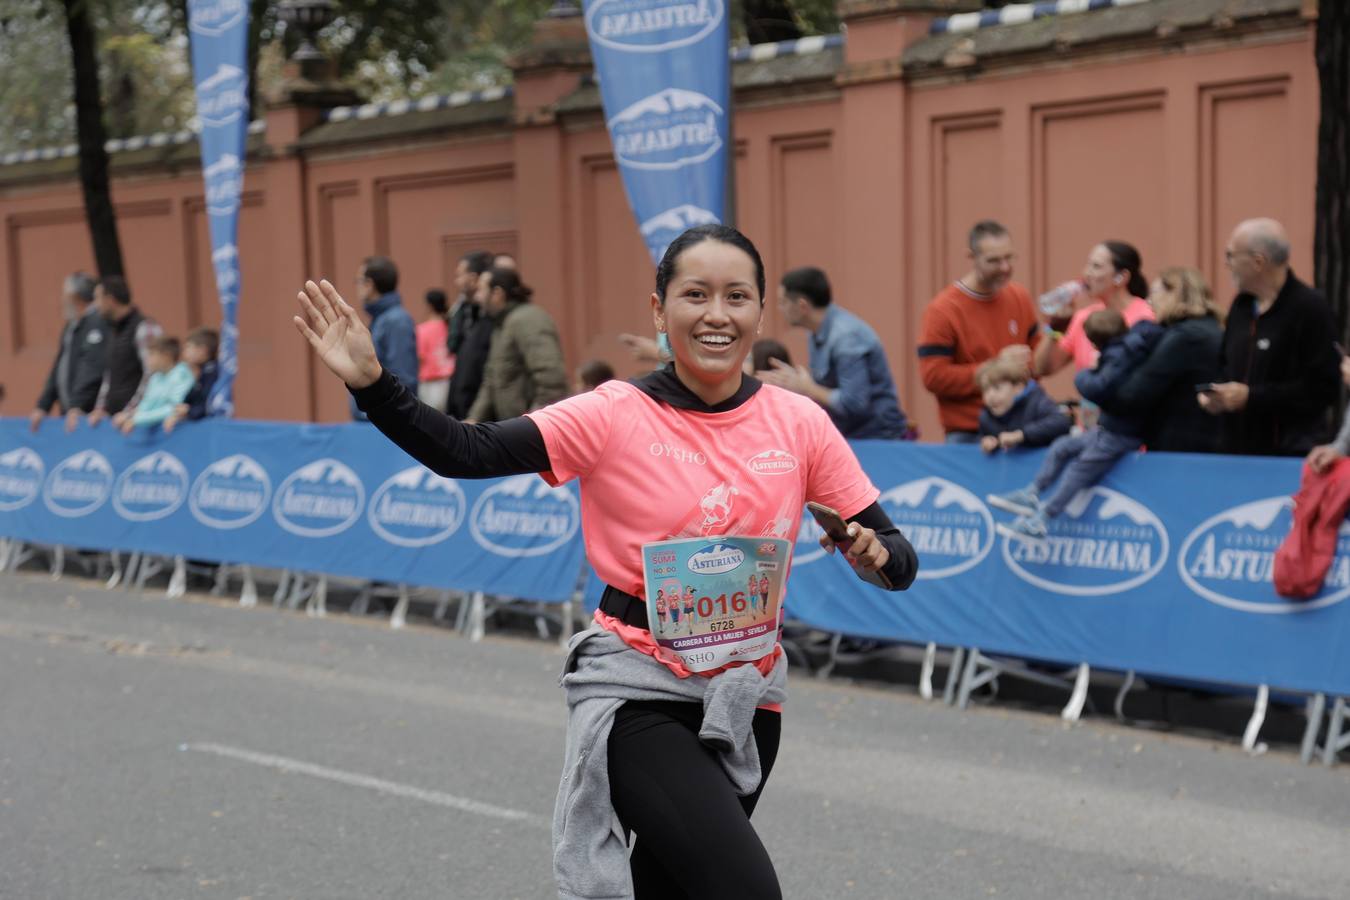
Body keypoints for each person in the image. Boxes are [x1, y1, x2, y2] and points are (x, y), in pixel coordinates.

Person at [292, 222, 918, 899]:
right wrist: (375, 385)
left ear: (760, 312)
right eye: (695, 295)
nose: (716, 314)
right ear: (659, 310)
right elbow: (465, 450)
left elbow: (897, 558)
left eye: (737, 297)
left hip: (748, 697)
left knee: (671, 887)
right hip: (638, 688)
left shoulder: (799, 424)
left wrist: (874, 555)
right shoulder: (613, 413)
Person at [990, 309, 1162, 541]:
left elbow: (1099, 387)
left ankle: (1042, 519)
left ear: (1093, 341)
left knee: (1078, 469)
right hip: (1108, 427)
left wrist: (1087, 373)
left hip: (1122, 433)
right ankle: (1032, 493)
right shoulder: (1120, 353)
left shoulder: (1120, 356)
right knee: (1063, 447)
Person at [1198, 218, 1339, 456]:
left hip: (1287, 454)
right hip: (1235, 450)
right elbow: (1224, 365)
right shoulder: (1241, 306)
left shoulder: (1310, 308)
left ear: (1258, 262)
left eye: (1230, 255)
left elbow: (1321, 389)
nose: (1226, 263)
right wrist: (1215, 396)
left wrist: (1251, 397)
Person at [918, 220, 1039, 442]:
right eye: (993, 260)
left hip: (1021, 430)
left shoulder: (1019, 297)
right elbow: (933, 377)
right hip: (969, 432)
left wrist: (1059, 328)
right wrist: (995, 368)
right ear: (971, 258)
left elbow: (1038, 361)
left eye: (1009, 258)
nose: (1004, 267)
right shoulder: (943, 310)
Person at [759, 266, 909, 440]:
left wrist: (808, 388)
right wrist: (795, 384)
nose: (779, 308)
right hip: (851, 436)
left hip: (877, 440)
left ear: (802, 306)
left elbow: (855, 404)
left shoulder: (846, 338)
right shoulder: (816, 331)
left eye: (783, 302)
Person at [1105, 267, 1224, 453]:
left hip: (1179, 448)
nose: (1149, 302)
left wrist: (1101, 381)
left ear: (1174, 292)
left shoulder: (1183, 337)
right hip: (1210, 443)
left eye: (1154, 293)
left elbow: (1134, 393)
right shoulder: (1214, 329)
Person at [1034, 240, 1156, 377]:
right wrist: (1056, 328)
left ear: (1121, 277)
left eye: (1096, 266)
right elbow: (1042, 369)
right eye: (1088, 265)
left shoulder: (1148, 316)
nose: (1086, 273)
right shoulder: (1083, 318)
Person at [464, 267, 568, 423]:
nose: (478, 297)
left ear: (497, 294)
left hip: (533, 431)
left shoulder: (528, 320)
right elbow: (491, 380)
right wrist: (473, 421)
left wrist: (535, 423)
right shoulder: (503, 324)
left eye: (481, 290)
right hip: (516, 430)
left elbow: (551, 378)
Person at [31, 272, 106, 433]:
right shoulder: (71, 327)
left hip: (88, 418)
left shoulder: (97, 323)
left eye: (64, 296)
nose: (62, 300)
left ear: (75, 297)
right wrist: (43, 406)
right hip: (70, 415)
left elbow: (92, 368)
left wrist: (77, 405)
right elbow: (58, 367)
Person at [87, 275, 163, 427]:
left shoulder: (145, 328)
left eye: (97, 298)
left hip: (138, 425)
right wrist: (101, 408)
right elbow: (110, 374)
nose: (95, 305)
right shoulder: (112, 331)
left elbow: (153, 375)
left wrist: (132, 412)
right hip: (117, 423)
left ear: (109, 299)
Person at [350, 256, 418, 421]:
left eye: (358, 281)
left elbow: (404, 379)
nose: (357, 287)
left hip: (386, 425)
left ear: (369, 285)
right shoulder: (380, 320)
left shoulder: (396, 321)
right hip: (375, 421)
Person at [974, 355, 1071, 454]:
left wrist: (1021, 435)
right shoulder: (986, 416)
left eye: (997, 388)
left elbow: (1061, 422)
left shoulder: (1037, 402)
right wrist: (988, 442)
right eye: (985, 390)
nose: (990, 396)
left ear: (1018, 388)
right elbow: (984, 437)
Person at [113, 336, 195, 433]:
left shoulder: (183, 375)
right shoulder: (155, 377)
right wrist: (129, 415)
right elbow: (146, 404)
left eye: (151, 355)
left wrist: (136, 420)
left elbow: (174, 409)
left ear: (166, 356)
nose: (147, 359)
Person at [163, 327, 220, 433]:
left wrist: (189, 412)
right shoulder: (200, 372)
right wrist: (180, 411)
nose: (184, 353)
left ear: (203, 350)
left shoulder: (213, 373)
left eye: (188, 348)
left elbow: (209, 405)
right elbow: (189, 399)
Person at [446, 250, 493, 357]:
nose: (456, 282)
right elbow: (452, 344)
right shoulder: (462, 307)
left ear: (473, 278)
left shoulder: (490, 312)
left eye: (459, 276)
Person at [416, 288, 455, 411]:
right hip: (451, 382)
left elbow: (420, 357)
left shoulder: (422, 329)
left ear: (429, 306)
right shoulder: (452, 326)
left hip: (430, 385)